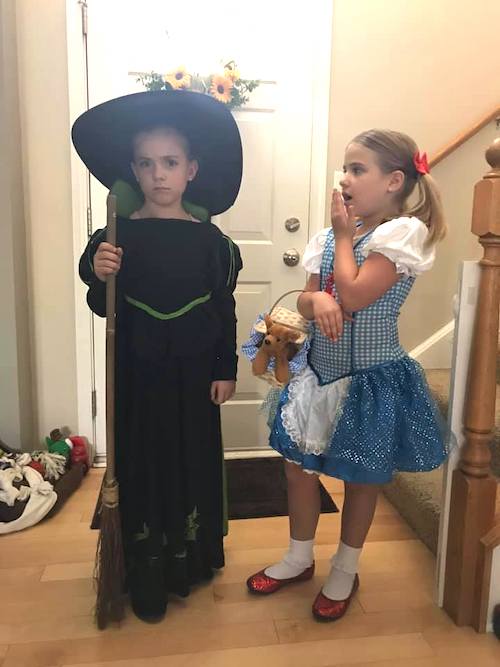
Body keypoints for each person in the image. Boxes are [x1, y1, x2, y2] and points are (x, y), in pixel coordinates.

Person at [246, 129, 448, 622]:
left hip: (372, 380)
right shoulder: (324, 240)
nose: (345, 178)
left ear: (394, 181)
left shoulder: (402, 234)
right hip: (318, 373)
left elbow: (355, 295)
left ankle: (345, 567)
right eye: (345, 168)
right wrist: (314, 298)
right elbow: (307, 299)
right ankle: (298, 556)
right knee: (297, 469)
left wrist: (341, 236)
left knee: (361, 478)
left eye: (358, 170)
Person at [74, 90, 243, 622]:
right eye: (146, 164)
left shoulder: (212, 243)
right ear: (132, 170)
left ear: (191, 169)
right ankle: (144, 568)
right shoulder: (116, 236)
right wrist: (100, 270)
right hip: (137, 378)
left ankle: (188, 559)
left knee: (189, 460)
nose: (159, 175)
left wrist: (227, 369)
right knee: (143, 462)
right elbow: (99, 302)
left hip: (194, 379)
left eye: (170, 163)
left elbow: (224, 310)